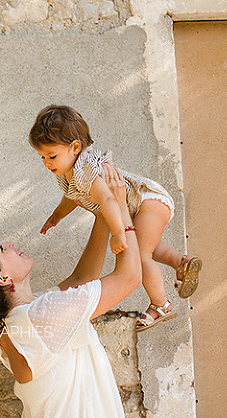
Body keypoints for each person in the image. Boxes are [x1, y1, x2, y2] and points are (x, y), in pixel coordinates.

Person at [0, 166, 140, 417]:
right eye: (1, 249)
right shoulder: (41, 317)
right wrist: (120, 208)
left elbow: (81, 279)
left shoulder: (16, 321)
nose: (9, 244)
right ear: (2, 278)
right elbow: (129, 278)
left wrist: (104, 214)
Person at [29, 105, 201, 332]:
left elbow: (109, 200)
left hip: (147, 200)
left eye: (52, 156)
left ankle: (161, 304)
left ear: (75, 147)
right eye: (42, 157)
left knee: (140, 255)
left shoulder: (86, 170)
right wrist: (58, 215)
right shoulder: (66, 173)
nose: (47, 162)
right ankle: (180, 262)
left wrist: (118, 233)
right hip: (140, 205)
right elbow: (71, 195)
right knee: (144, 245)